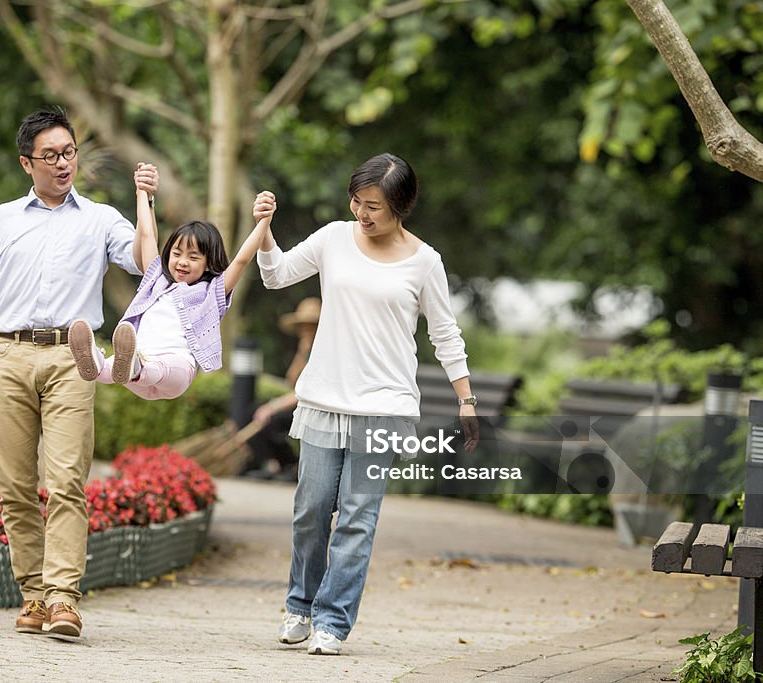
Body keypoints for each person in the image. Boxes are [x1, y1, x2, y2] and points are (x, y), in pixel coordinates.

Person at [0, 107, 158, 642]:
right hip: (6, 358)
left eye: (69, 153)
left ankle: (62, 600)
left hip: (72, 360)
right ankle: (33, 595)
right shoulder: (1, 220)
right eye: (50, 156)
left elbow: (148, 264)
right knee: (13, 488)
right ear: (26, 162)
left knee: (68, 483)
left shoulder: (100, 219)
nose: (62, 163)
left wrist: (145, 201)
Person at [257, 153, 480, 655]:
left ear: (400, 206)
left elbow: (445, 334)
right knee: (311, 509)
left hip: (385, 405)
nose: (362, 213)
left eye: (373, 205)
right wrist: (266, 230)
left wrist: (467, 400)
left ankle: (332, 622)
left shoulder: (426, 261)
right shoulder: (333, 238)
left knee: (357, 515)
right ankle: (300, 605)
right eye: (357, 202)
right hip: (324, 399)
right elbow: (275, 275)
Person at [66, 186, 278, 400]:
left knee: (160, 366)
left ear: (208, 264)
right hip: (139, 363)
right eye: (177, 254)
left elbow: (241, 260)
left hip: (176, 369)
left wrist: (264, 221)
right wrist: (143, 193)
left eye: (193, 257)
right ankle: (95, 363)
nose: (183, 262)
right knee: (114, 367)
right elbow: (147, 235)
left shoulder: (211, 291)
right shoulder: (155, 279)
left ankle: (135, 367)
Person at [242, 297, 321, 480]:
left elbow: (305, 392)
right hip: (300, 402)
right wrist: (301, 353)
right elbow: (291, 381)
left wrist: (273, 406)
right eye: (303, 326)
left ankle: (292, 465)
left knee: (273, 418)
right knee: (252, 412)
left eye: (311, 326)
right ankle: (274, 465)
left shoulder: (323, 353)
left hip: (313, 407)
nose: (306, 330)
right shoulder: (306, 351)